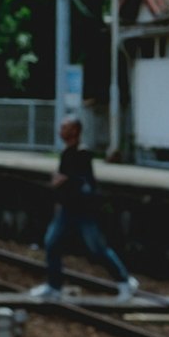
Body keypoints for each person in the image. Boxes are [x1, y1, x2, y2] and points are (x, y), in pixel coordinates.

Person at [39, 115, 136, 299]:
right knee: (51, 244)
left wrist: (64, 180)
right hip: (67, 209)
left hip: (84, 211)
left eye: (64, 127)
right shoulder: (66, 153)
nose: (60, 130)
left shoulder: (83, 154)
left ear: (75, 131)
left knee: (97, 249)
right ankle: (54, 287)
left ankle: (125, 282)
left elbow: (87, 183)